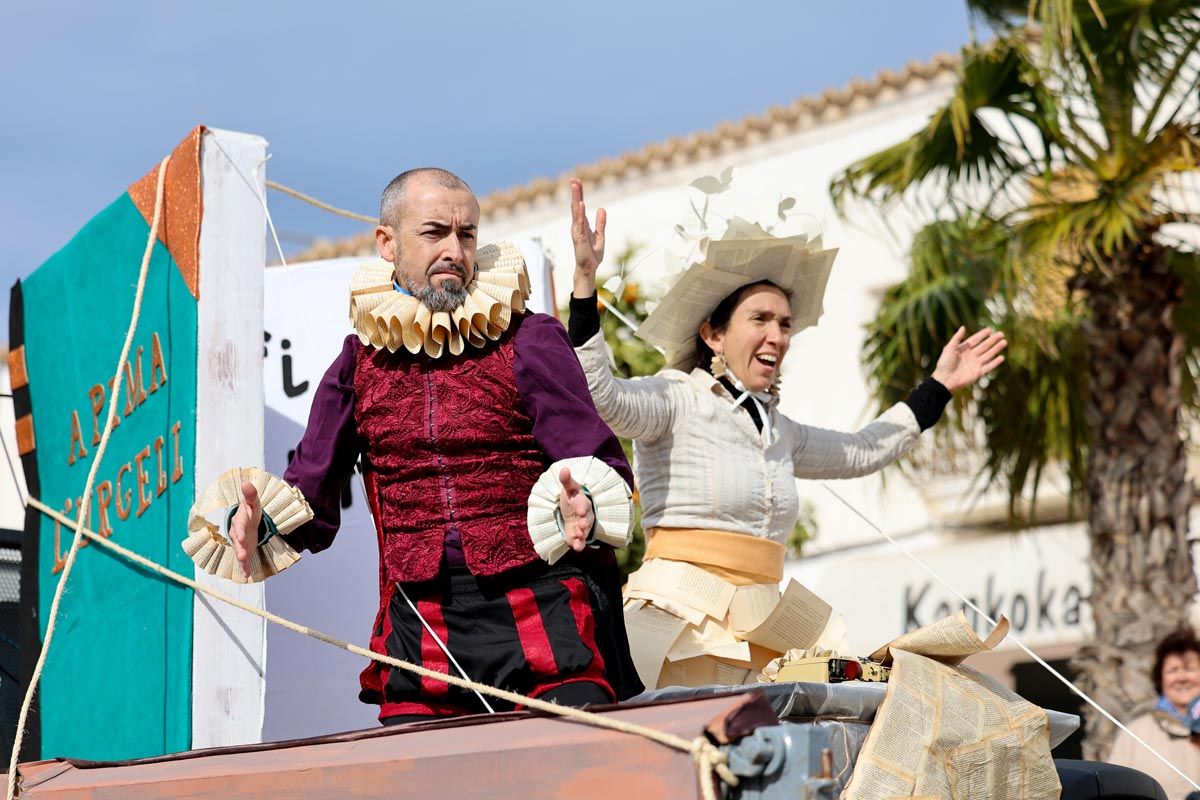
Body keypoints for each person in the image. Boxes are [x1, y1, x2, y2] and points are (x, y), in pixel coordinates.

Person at [226, 168, 642, 723]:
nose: (454, 250)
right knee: (418, 765)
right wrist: (257, 523)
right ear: (387, 243)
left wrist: (585, 498)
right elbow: (310, 494)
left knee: (573, 759)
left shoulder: (530, 337)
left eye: (466, 234)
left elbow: (593, 456)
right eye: (434, 233)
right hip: (421, 626)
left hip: (541, 607)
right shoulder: (358, 364)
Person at [565, 179, 1007, 687]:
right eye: (760, 319)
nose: (776, 336)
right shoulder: (675, 398)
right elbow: (602, 397)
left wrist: (938, 387)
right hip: (681, 622)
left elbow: (864, 450)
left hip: (765, 628)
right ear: (713, 334)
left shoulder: (781, 431)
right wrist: (584, 283)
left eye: (785, 324)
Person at [1108, 628, 1200, 798]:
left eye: (1190, 669)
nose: (1181, 678)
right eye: (1173, 670)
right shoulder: (1134, 734)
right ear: (1160, 679)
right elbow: (1113, 791)